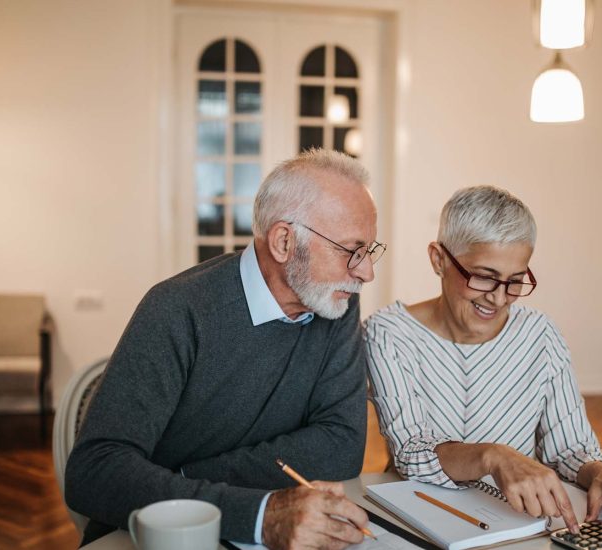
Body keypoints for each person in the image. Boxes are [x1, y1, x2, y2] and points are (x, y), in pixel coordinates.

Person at [65, 149, 387, 549]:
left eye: (370, 251)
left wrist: (184, 478)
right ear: (284, 241)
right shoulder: (178, 309)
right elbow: (93, 473)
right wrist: (258, 514)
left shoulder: (336, 302)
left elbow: (340, 447)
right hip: (156, 536)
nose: (366, 273)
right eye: (350, 250)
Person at [364, 185, 602, 537]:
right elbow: (411, 452)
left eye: (514, 281)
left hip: (519, 523)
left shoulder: (540, 334)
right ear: (439, 259)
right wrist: (493, 456)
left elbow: (571, 447)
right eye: (484, 277)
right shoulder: (389, 333)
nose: (498, 299)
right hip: (420, 521)